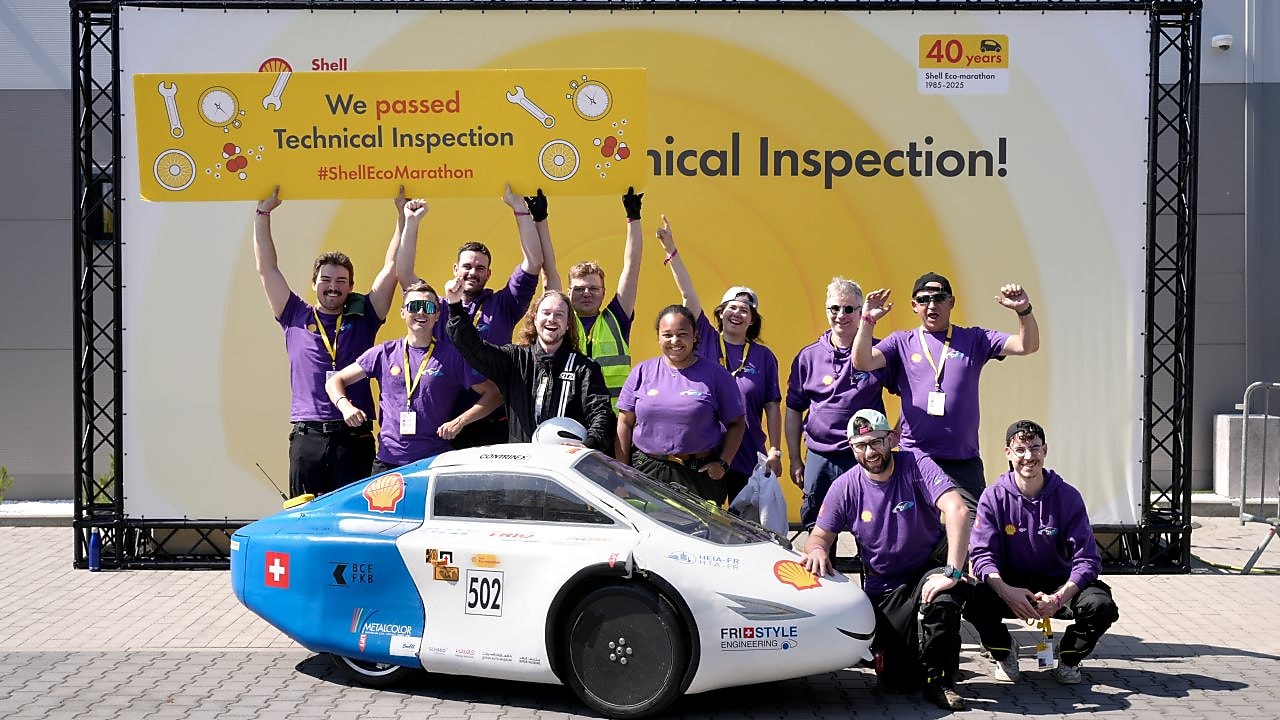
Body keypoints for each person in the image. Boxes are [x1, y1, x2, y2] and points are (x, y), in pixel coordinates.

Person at [801, 409, 971, 711]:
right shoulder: (845, 486)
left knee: (944, 600)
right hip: (885, 585)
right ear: (851, 448)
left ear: (891, 438)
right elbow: (819, 536)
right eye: (861, 445)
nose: (870, 452)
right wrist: (817, 550)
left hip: (926, 567)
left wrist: (953, 571)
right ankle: (914, 664)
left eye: (877, 442)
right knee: (897, 682)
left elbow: (958, 511)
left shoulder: (916, 463)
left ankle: (941, 681)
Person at [253, 185, 402, 497]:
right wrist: (262, 214)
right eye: (326, 280)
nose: (333, 287)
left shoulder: (365, 316)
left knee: (354, 519)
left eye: (341, 282)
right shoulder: (293, 313)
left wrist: (403, 217)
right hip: (308, 437)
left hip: (354, 436)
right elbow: (267, 269)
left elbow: (391, 269)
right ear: (313, 284)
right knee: (302, 517)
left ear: (350, 287)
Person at [853, 271, 1039, 511]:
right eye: (923, 299)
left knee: (975, 533)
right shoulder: (902, 341)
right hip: (916, 457)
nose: (932, 305)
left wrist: (1023, 310)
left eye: (939, 297)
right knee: (915, 538)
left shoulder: (974, 338)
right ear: (913, 305)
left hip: (962, 459)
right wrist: (867, 320)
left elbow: (1028, 345)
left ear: (951, 302)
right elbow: (862, 362)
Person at [964, 420, 1119, 685]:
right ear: (1008, 453)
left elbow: (1087, 560)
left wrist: (1058, 598)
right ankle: (1004, 651)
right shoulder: (993, 497)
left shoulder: (1068, 497)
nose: (1028, 457)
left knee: (1101, 606)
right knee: (970, 599)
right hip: (1010, 586)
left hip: (1058, 587)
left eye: (1035, 448)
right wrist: (1005, 591)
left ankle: (1069, 656)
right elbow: (981, 556)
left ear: (1045, 450)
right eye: (1021, 449)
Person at [396, 184, 545, 448]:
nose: (472, 272)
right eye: (466, 266)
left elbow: (533, 262)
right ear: (455, 269)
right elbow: (405, 273)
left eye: (480, 267)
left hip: (495, 419)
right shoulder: (437, 307)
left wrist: (520, 210)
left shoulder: (504, 303)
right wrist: (411, 221)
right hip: (446, 422)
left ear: (488, 273)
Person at [654, 215, 783, 502]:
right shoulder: (707, 339)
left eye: (745, 310)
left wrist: (775, 450)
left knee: (747, 530)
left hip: (747, 455)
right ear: (720, 312)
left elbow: (772, 406)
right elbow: (688, 294)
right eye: (732, 307)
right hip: (705, 454)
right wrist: (671, 250)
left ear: (752, 320)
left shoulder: (763, 357)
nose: (737, 313)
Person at [325, 277, 502, 471]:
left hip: (433, 462)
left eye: (429, 307)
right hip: (387, 460)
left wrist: (460, 422)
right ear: (402, 312)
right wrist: (346, 407)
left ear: (437, 316)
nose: (421, 312)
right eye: (414, 306)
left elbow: (494, 395)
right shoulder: (384, 352)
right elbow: (335, 380)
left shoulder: (452, 356)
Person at [444, 278, 615, 453]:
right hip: (523, 466)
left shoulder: (585, 368)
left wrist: (589, 444)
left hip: (564, 466)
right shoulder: (514, 359)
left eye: (559, 315)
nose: (552, 319)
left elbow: (601, 414)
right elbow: (473, 348)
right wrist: (455, 306)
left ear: (567, 324)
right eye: (546, 313)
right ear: (534, 318)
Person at [786, 277, 892, 530]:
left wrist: (894, 433)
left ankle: (870, 571)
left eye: (848, 309)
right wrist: (794, 458)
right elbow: (793, 410)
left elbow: (910, 394)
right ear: (826, 310)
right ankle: (819, 571)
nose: (840, 315)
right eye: (834, 308)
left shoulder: (878, 352)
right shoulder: (808, 356)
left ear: (860, 312)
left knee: (870, 525)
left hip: (864, 455)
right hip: (819, 457)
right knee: (817, 526)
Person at [616, 304, 746, 504]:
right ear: (658, 337)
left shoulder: (716, 375)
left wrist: (723, 463)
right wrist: (621, 470)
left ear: (694, 336)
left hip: (699, 475)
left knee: (698, 534)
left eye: (682, 334)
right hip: (646, 471)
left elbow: (737, 423)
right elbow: (625, 422)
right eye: (667, 335)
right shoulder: (642, 371)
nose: (674, 341)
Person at [530, 187, 645, 410]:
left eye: (593, 288)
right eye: (580, 288)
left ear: (604, 292)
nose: (586, 293)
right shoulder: (560, 317)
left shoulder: (617, 318)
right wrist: (540, 220)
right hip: (567, 415)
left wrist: (634, 217)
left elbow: (632, 268)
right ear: (569, 292)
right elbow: (548, 270)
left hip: (613, 420)